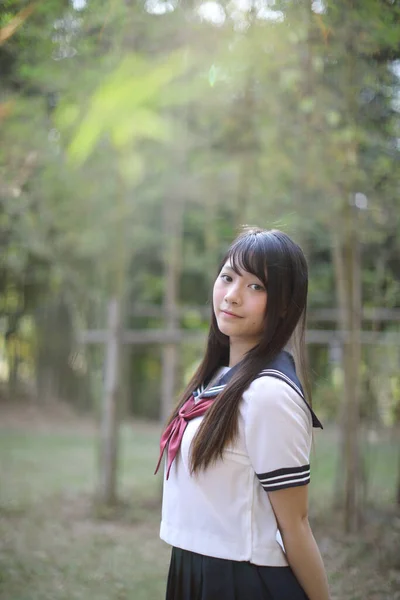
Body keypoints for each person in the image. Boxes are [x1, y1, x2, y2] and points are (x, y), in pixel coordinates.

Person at [155, 227, 331, 600]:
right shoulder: (217, 378)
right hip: (193, 569)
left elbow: (296, 523)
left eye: (257, 287)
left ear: (284, 305)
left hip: (239, 580)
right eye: (228, 277)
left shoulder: (269, 395)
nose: (232, 296)